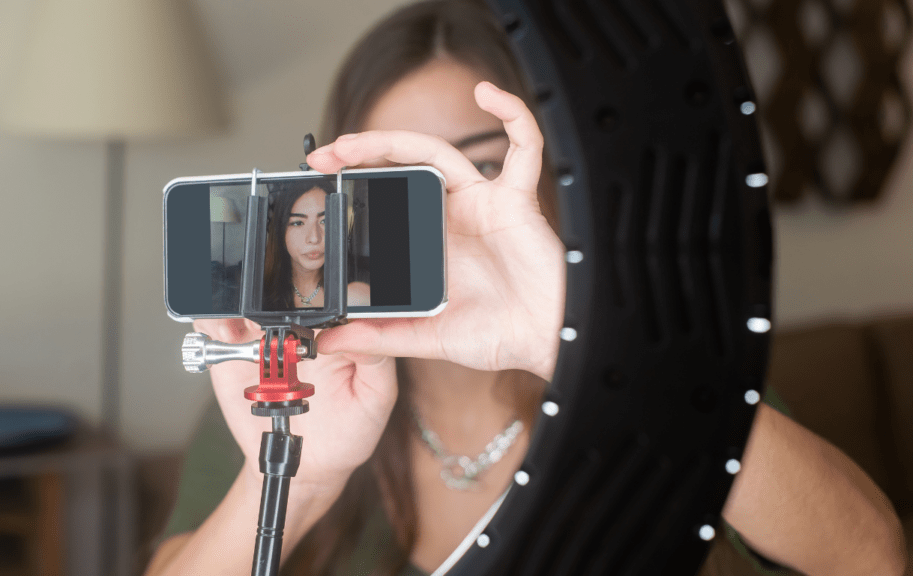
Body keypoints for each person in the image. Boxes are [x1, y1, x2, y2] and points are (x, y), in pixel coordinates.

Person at [147, 2, 907, 575]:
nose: (446, 212)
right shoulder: (288, 391)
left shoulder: (658, 355)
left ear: (541, 173)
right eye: (398, 185)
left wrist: (585, 346)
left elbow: (873, 558)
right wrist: (297, 483)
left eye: (476, 165)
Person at [263, 179, 371, 310]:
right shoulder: (255, 293)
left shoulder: (361, 284)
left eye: (325, 221)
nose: (314, 238)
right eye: (298, 223)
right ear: (280, 231)